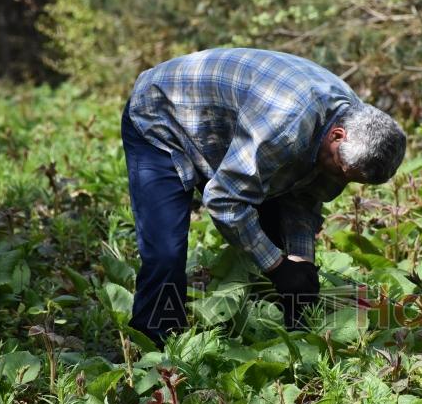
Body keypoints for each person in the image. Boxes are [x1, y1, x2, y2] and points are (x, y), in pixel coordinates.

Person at [121, 48, 406, 347]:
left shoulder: (353, 128)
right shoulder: (286, 128)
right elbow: (224, 200)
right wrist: (278, 267)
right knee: (165, 251)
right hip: (163, 113)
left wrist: (300, 262)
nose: (341, 181)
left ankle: (264, 333)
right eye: (342, 171)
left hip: (226, 127)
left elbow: (304, 197)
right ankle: (155, 348)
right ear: (337, 136)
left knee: (277, 243)